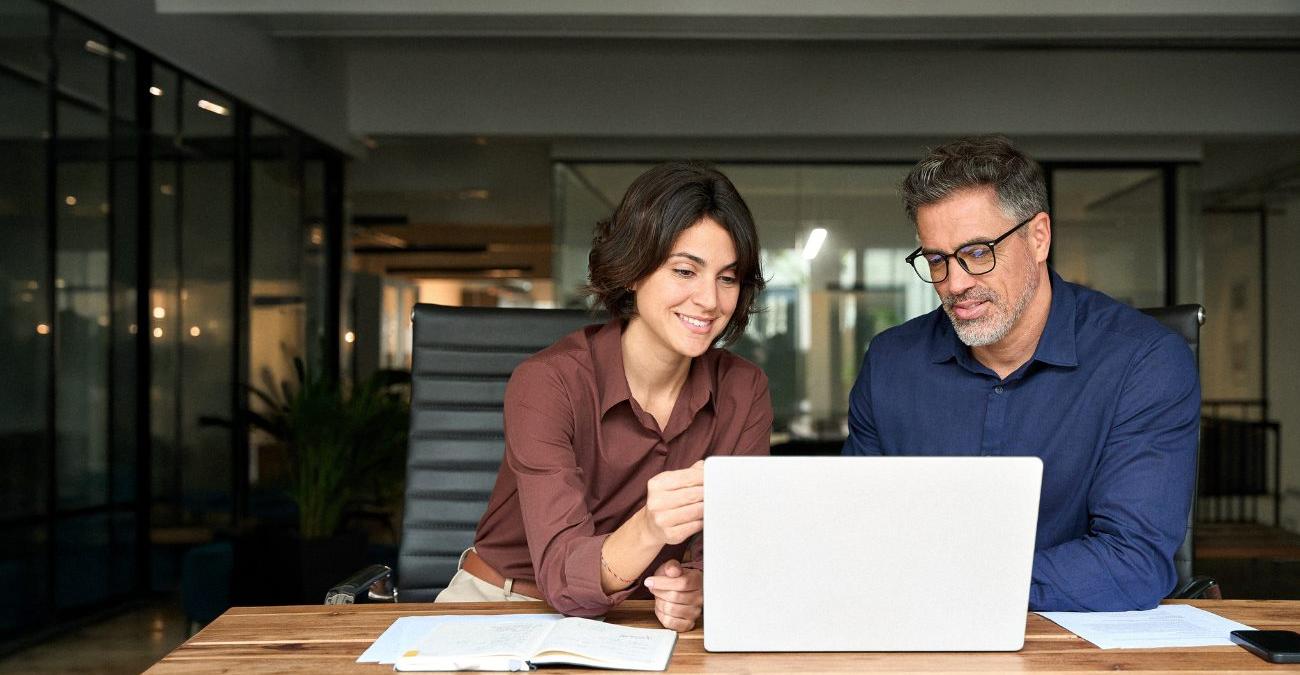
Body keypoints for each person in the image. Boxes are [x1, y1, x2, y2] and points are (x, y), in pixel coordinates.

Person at [842, 135, 1200, 612]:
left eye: (976, 252)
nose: (955, 283)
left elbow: (1132, 561)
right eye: (936, 260)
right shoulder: (890, 362)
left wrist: (953, 586)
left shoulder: (1144, 362)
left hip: (1070, 647)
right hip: (916, 639)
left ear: (1039, 237)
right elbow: (852, 535)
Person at [435, 162, 773, 632]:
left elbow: (735, 544)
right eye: (684, 271)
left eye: (727, 278)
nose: (709, 301)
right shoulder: (546, 382)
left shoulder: (743, 390)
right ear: (633, 270)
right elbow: (561, 572)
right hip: (503, 604)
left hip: (638, 619)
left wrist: (695, 586)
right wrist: (651, 526)